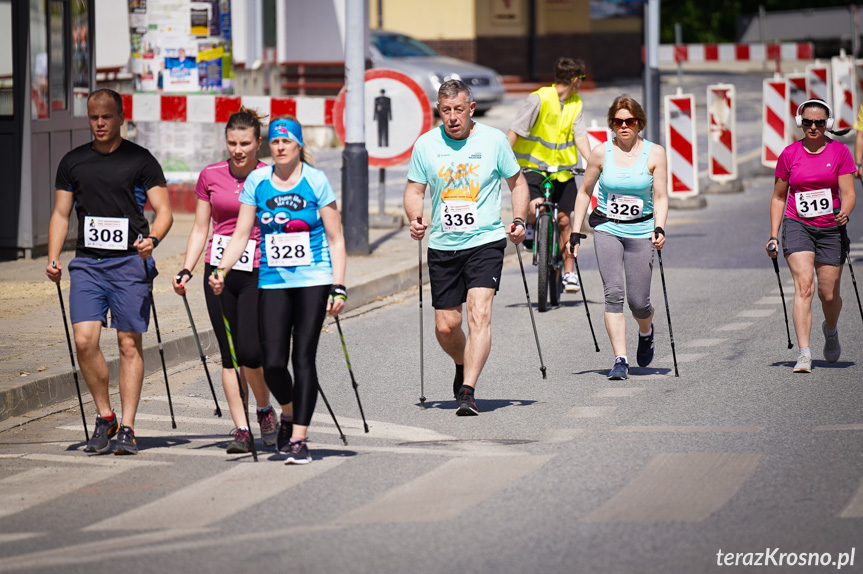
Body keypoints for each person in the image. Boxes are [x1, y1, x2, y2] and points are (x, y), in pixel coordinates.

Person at [209, 115, 346, 464]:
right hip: (272, 281)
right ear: (269, 146)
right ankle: (287, 411)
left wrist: (339, 286)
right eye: (275, 142)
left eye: (287, 142)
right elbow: (241, 234)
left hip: (313, 280)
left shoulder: (316, 181)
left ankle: (298, 438)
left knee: (302, 358)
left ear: (299, 145)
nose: (281, 147)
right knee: (270, 363)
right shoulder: (258, 180)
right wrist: (222, 269)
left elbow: (336, 238)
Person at [46, 88, 173, 455]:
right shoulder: (72, 162)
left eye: (106, 117)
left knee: (128, 344)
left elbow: (164, 212)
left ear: (120, 117)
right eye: (93, 117)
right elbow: (60, 214)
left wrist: (153, 239)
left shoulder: (141, 160)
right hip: (87, 263)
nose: (99, 123)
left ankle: (128, 428)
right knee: (85, 340)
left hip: (129, 263)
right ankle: (106, 416)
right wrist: (53, 257)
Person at [405, 79, 529, 415]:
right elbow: (414, 190)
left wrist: (519, 220)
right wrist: (415, 217)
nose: (452, 117)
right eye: (446, 111)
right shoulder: (426, 144)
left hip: (485, 242)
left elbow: (517, 183)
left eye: (459, 109)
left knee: (479, 312)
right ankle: (462, 363)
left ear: (471, 108)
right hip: (443, 245)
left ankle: (468, 391)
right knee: (446, 326)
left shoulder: (494, 140)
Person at [172, 107, 278, 454]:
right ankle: (241, 429)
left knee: (251, 350)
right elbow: (201, 227)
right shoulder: (211, 175)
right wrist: (187, 268)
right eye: (232, 142)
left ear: (258, 143)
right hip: (218, 273)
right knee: (229, 354)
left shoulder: (271, 175)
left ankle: (264, 409)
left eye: (245, 143)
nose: (238, 149)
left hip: (258, 271)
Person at [567, 94, 668, 380]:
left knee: (638, 302)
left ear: (639, 123)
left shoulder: (654, 153)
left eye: (630, 121)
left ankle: (646, 331)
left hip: (641, 230)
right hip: (607, 227)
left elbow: (660, 196)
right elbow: (585, 191)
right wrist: (575, 232)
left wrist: (659, 227)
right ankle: (620, 359)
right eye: (618, 121)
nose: (624, 126)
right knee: (613, 294)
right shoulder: (601, 153)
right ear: (612, 124)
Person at [767, 98, 856, 373]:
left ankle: (830, 330)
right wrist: (772, 235)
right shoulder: (789, 154)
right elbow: (779, 197)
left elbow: (849, 193)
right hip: (798, 225)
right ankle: (804, 353)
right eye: (808, 122)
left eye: (819, 122)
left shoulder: (839, 152)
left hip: (831, 229)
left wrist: (845, 211)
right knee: (805, 287)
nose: (813, 127)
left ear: (827, 124)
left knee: (829, 295)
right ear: (800, 123)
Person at [507, 57, 592, 293]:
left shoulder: (576, 103)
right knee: (536, 207)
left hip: (564, 172)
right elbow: (515, 129)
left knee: (566, 221)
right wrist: (501, 159)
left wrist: (594, 162)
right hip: (533, 168)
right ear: (575, 80)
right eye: (581, 80)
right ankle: (533, 229)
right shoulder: (539, 98)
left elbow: (581, 137)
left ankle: (568, 273)